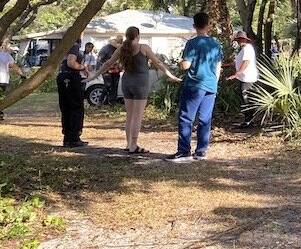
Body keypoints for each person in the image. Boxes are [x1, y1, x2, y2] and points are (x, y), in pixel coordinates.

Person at [87, 26, 182, 153]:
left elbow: (108, 63)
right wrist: (171, 75)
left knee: (129, 116)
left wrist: (94, 76)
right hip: (140, 83)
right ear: (138, 35)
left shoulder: (122, 48)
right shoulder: (143, 48)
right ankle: (134, 144)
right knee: (137, 116)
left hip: (126, 82)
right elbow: (158, 63)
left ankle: (128, 144)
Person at [168, 12, 223, 162]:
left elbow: (186, 65)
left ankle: (184, 151)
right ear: (208, 25)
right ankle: (201, 151)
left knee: (186, 117)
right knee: (205, 118)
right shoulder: (216, 44)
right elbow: (218, 65)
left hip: (195, 84)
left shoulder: (192, 44)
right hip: (211, 84)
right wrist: (215, 83)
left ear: (194, 25)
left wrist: (181, 60)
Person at [57, 36, 89, 148]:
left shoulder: (64, 46)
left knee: (66, 108)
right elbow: (71, 62)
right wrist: (82, 67)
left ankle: (67, 137)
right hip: (71, 77)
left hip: (62, 77)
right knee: (76, 107)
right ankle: (73, 137)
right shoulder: (74, 46)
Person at [226, 30, 259, 127]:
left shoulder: (248, 49)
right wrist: (224, 65)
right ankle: (248, 120)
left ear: (245, 39)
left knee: (247, 99)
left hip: (248, 78)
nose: (240, 42)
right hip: (243, 78)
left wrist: (237, 73)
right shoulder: (243, 50)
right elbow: (237, 63)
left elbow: (246, 62)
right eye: (238, 40)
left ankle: (249, 121)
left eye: (241, 39)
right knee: (245, 99)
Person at [0, 46, 26, 121]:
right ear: (1, 46)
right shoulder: (6, 56)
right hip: (3, 80)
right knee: (1, 97)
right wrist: (22, 75)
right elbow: (14, 66)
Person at [97, 36, 123, 103]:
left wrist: (120, 66)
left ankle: (112, 102)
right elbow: (99, 60)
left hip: (116, 70)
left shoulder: (120, 49)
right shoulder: (105, 48)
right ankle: (100, 100)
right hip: (107, 70)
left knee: (115, 86)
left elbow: (122, 60)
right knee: (107, 85)